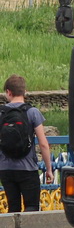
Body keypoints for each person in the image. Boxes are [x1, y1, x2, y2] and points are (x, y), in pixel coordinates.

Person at [0, 75, 53, 213]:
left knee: (13, 207)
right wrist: (49, 169)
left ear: (8, 92)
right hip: (28, 169)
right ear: (24, 92)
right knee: (32, 207)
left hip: (6, 169)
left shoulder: (1, 113)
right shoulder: (32, 112)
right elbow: (43, 144)